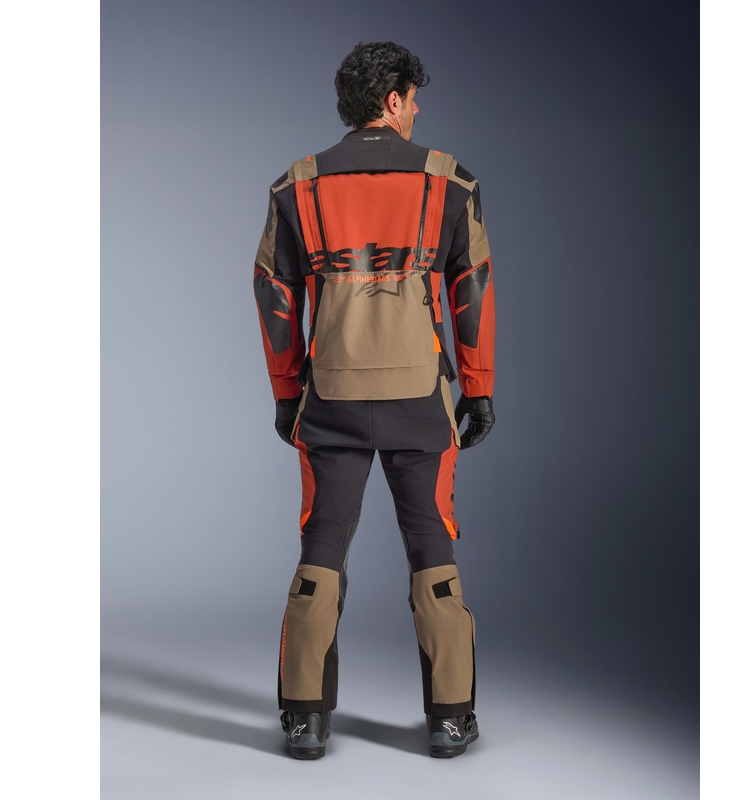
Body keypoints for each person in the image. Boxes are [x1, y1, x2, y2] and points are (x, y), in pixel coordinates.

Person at [253, 41, 496, 759]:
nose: (416, 110)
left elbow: (273, 294)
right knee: (432, 543)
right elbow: (472, 288)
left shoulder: (295, 187)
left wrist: (287, 392)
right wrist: (479, 387)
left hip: (330, 397)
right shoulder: (449, 182)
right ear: (393, 100)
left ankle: (305, 720)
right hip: (420, 400)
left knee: (322, 544)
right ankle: (449, 719)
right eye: (413, 98)